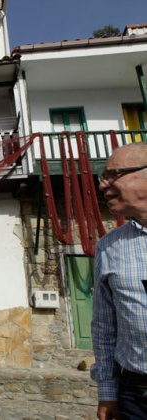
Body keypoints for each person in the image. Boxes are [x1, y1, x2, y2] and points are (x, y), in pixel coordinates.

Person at [92, 142, 147, 420]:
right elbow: (104, 327)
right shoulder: (109, 247)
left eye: (113, 175)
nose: (103, 184)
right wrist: (107, 391)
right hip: (134, 395)